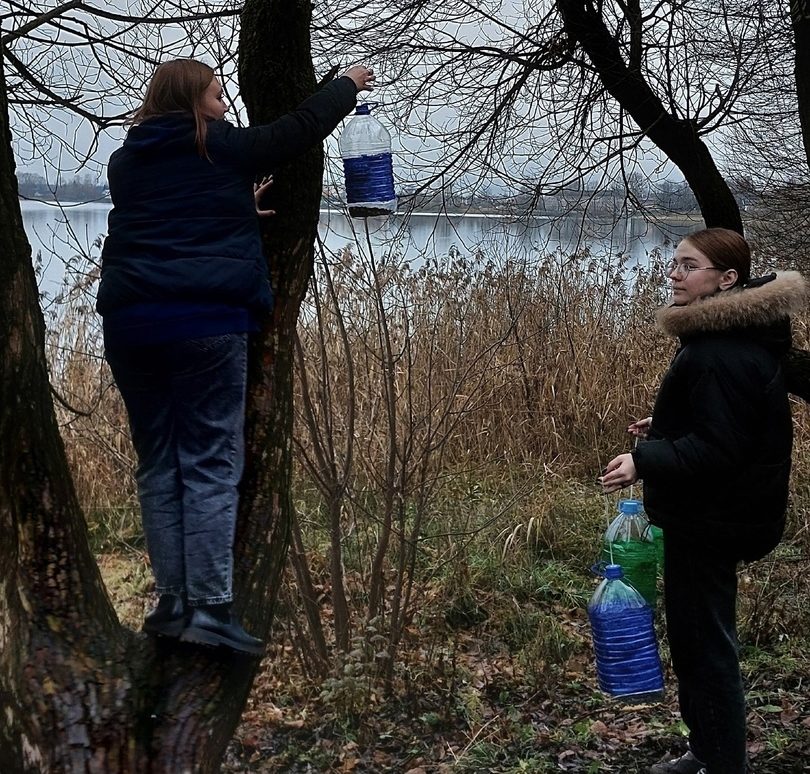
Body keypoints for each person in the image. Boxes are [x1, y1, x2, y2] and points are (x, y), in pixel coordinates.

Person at [97, 58, 375, 654]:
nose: (224, 105)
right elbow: (298, 129)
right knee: (207, 462)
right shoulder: (222, 148)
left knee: (158, 464)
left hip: (131, 326)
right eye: (217, 96)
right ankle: (213, 609)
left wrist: (232, 207)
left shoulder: (127, 162)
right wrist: (345, 86)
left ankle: (171, 603)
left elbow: (166, 218)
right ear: (195, 102)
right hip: (204, 323)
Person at [599, 228, 806, 774]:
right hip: (723, 512)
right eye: (673, 265)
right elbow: (731, 426)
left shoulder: (717, 351)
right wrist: (665, 427)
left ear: (727, 279)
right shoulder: (740, 339)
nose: (673, 274)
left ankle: (720, 762)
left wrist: (645, 459)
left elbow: (718, 447)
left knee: (703, 646)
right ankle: (710, 751)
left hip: (710, 519)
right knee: (701, 637)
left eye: (688, 266)